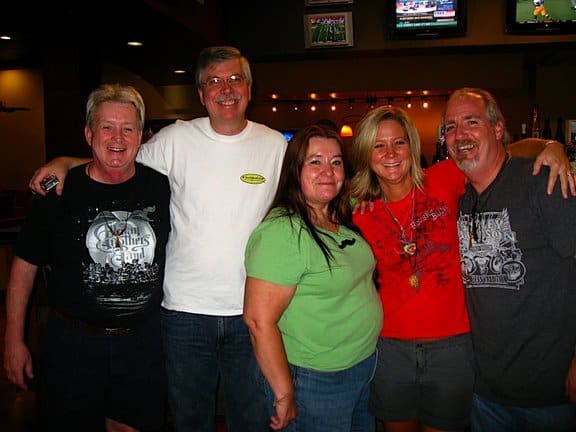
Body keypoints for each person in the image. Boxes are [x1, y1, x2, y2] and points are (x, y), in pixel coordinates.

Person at [27, 46, 287, 432]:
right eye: (214, 81)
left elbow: (306, 200)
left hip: (252, 312)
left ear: (249, 88)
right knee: (189, 421)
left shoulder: (276, 146)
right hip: (182, 313)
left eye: (235, 79)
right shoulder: (176, 138)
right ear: (201, 94)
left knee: (250, 420)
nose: (226, 89)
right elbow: (117, 158)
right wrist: (65, 163)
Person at [348, 105, 574, 432]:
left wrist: (552, 147)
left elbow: (500, 151)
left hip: (452, 349)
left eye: (398, 143)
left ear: (411, 146)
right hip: (392, 348)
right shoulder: (359, 211)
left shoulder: (443, 178)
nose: (390, 153)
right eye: (378, 145)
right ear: (365, 154)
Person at [3, 84, 171, 432]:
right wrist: (13, 340)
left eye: (128, 128)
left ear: (141, 136)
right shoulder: (58, 192)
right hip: (72, 344)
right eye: (106, 127)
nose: (117, 137)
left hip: (141, 343)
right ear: (88, 133)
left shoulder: (163, 187)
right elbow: (24, 266)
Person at [444, 87, 576, 432]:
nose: (460, 135)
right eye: (451, 127)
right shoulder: (458, 196)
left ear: (497, 128)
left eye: (471, 122)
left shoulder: (542, 181)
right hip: (485, 394)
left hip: (551, 394)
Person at [243, 124, 382, 432]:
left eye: (336, 162)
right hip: (316, 380)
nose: (328, 171)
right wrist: (284, 393)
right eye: (315, 162)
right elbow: (258, 321)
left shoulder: (337, 215)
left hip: (361, 366)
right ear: (295, 170)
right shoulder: (283, 232)